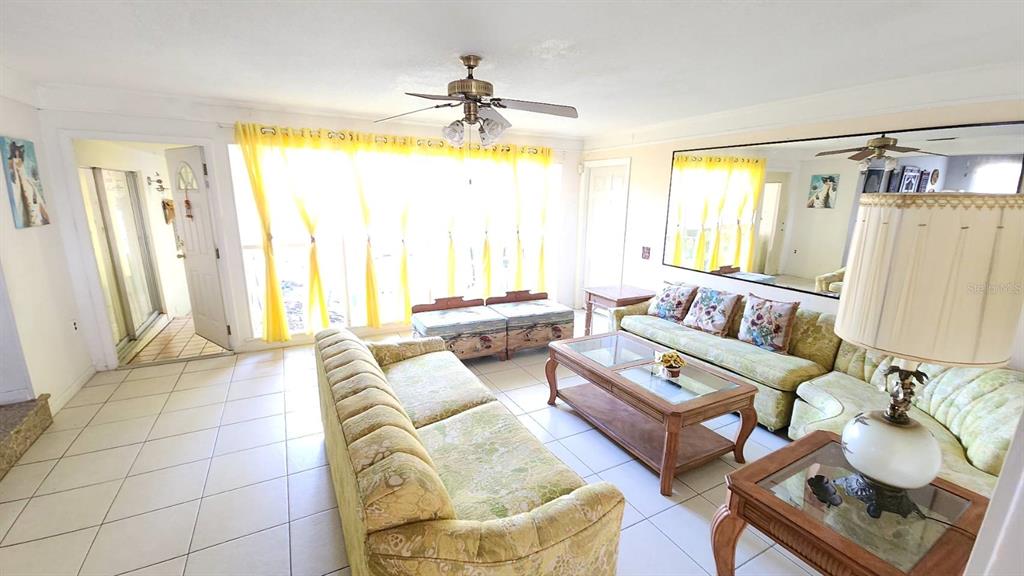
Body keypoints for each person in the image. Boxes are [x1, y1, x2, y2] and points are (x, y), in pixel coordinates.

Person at [6, 140, 49, 227]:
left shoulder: (19, 163)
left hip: (25, 181)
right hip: (21, 182)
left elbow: (23, 174)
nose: (17, 154)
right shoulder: (13, 164)